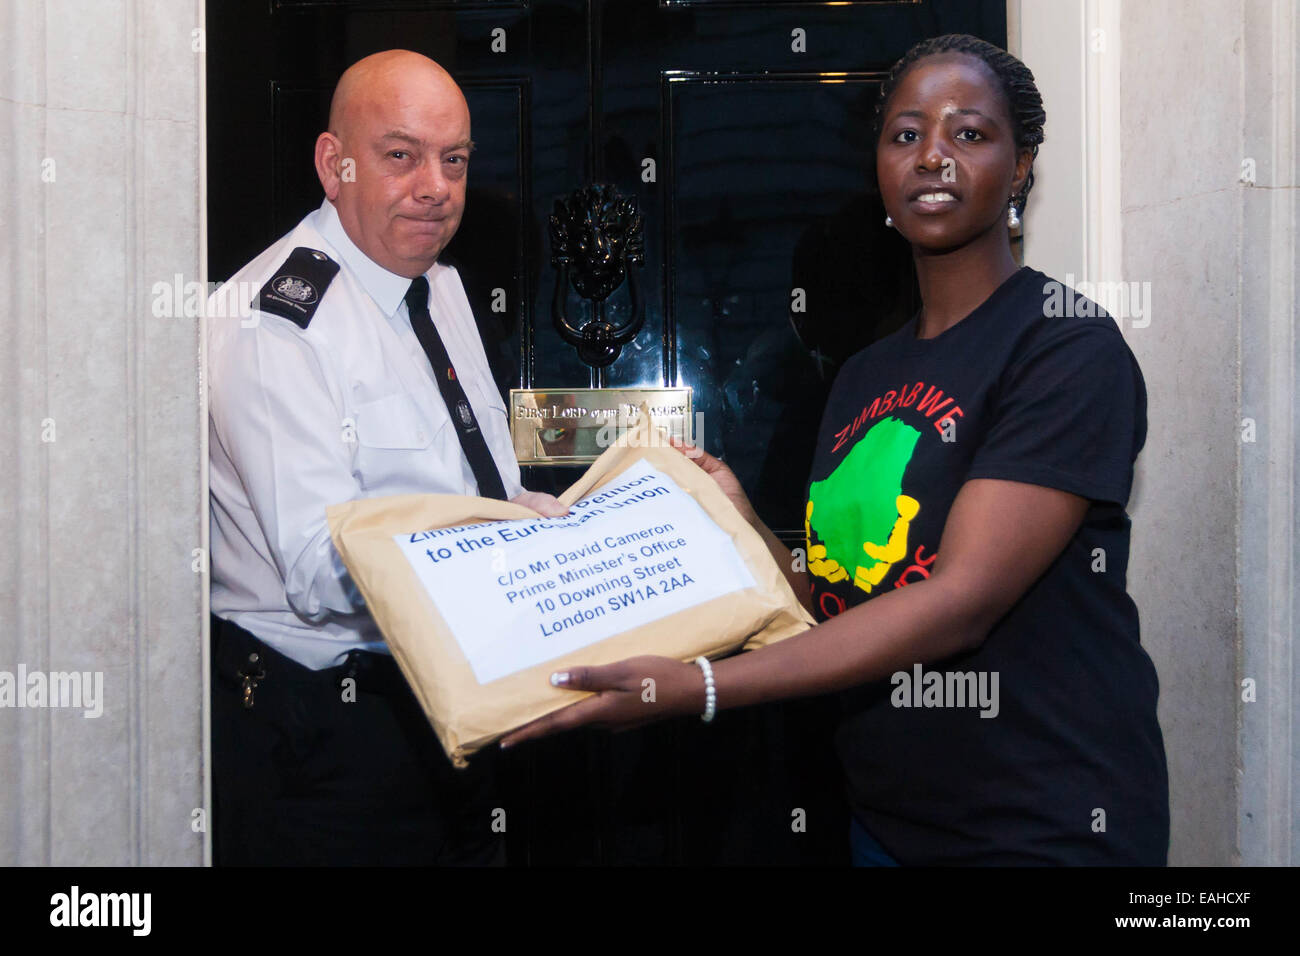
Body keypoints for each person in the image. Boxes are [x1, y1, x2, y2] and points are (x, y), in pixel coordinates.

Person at [502, 34, 1170, 866]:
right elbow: (837, 599)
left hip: (1042, 818)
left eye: (969, 134)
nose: (932, 156)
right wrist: (737, 521)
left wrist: (704, 687)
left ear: (1022, 167)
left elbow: (960, 601)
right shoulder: (866, 372)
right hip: (888, 819)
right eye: (905, 134)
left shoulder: (1063, 346)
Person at [206, 49, 567, 865]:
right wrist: (512, 563)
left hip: (461, 704)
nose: (435, 186)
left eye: (455, 160)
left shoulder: (438, 283)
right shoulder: (275, 323)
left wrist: (566, 533)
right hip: (333, 731)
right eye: (400, 155)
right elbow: (320, 569)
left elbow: (488, 487)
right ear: (334, 165)